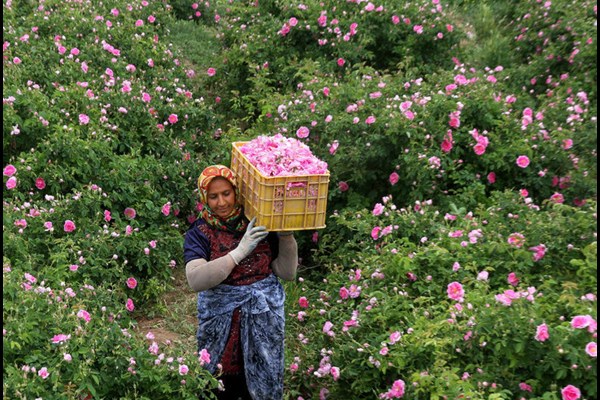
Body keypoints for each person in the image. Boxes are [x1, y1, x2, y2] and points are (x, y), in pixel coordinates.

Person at [183, 164, 298, 400]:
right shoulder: (200, 232)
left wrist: (286, 234)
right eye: (213, 196)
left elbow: (285, 272)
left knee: (260, 384)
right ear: (205, 197)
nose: (221, 202)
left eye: (226, 193)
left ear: (237, 191)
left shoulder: (258, 223)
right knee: (219, 383)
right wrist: (239, 252)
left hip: (263, 321)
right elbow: (195, 280)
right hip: (222, 325)